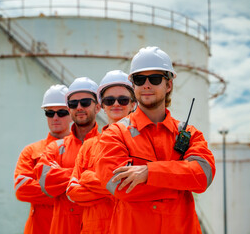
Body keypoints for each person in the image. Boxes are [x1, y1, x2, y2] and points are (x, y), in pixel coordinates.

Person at [96, 46, 216, 233]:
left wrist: (148, 173)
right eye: (139, 79)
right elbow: (119, 186)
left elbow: (202, 176)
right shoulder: (115, 134)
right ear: (133, 86)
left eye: (155, 79)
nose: (146, 85)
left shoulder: (189, 133)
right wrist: (180, 181)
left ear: (168, 85)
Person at [66, 70, 136, 233]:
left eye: (123, 99)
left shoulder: (141, 142)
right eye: (109, 100)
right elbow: (72, 192)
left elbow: (133, 188)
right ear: (102, 105)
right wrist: (112, 188)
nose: (116, 104)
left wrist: (88, 177)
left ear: (133, 104)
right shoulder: (89, 145)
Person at [35, 77, 101, 234]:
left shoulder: (107, 143)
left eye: (85, 102)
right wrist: (86, 175)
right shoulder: (56, 148)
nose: (79, 107)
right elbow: (46, 182)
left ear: (98, 107)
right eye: (73, 104)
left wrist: (64, 176)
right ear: (70, 109)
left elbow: (109, 183)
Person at [14, 84, 72, 234]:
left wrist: (47, 186)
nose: (55, 117)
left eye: (61, 112)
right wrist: (70, 190)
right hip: (39, 229)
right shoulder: (32, 151)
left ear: (72, 112)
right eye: (49, 113)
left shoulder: (85, 148)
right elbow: (22, 189)